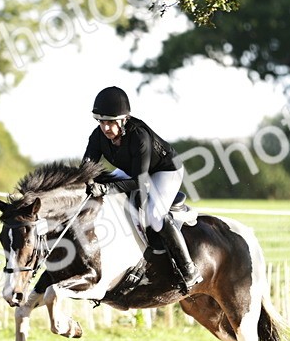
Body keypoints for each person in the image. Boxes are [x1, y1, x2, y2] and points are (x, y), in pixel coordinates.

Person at [82, 86, 203, 292]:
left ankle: (189, 269)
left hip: (165, 171)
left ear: (124, 119)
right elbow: (86, 168)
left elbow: (140, 182)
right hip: (133, 170)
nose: (106, 128)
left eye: (111, 122)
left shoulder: (139, 136)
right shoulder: (98, 136)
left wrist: (105, 187)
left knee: (155, 215)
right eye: (102, 122)